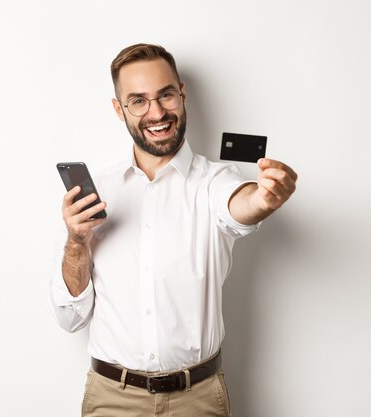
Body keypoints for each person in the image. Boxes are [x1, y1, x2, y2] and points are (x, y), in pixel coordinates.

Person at [50, 43, 297, 417]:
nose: (157, 112)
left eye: (165, 95)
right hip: (112, 399)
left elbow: (238, 205)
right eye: (138, 101)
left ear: (182, 94)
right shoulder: (94, 196)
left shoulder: (216, 180)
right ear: (119, 110)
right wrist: (76, 242)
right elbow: (71, 318)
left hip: (196, 400)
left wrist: (263, 200)